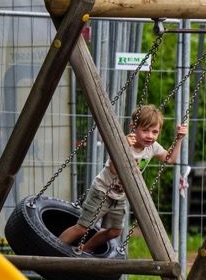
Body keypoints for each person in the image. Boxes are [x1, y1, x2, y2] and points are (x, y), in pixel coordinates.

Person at [59, 104, 186, 253]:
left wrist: (179, 139)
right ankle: (54, 247)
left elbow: (170, 159)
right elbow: (114, 169)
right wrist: (122, 148)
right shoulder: (124, 144)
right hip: (102, 190)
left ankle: (84, 250)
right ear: (133, 128)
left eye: (154, 132)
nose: (150, 136)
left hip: (120, 196)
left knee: (115, 232)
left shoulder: (152, 147)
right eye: (145, 130)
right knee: (82, 228)